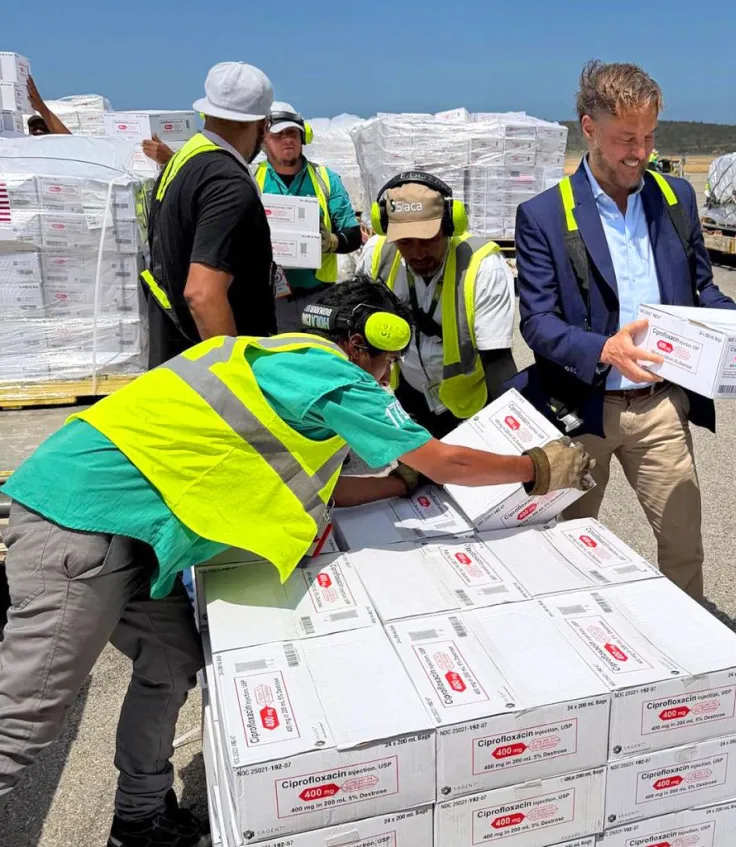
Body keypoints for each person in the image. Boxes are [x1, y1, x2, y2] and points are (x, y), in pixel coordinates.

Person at [0, 275, 594, 847]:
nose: (387, 377)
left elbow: (322, 490)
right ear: (362, 344)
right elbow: (447, 461)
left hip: (132, 533)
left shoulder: (275, 360)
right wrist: (534, 468)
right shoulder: (333, 374)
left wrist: (398, 484)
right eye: (388, 362)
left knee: (172, 663)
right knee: (24, 720)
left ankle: (139, 819)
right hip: (80, 523)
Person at [513, 60, 736, 601]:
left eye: (650, 136)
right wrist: (602, 349)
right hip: (583, 410)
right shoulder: (544, 215)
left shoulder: (676, 199)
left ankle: (689, 641)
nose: (641, 152)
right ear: (589, 129)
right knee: (569, 547)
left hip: (659, 407)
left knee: (683, 547)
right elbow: (537, 322)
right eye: (626, 139)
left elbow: (701, 292)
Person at [141, 61, 277, 368]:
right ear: (262, 125)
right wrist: (234, 378)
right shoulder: (228, 183)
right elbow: (203, 294)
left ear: (207, 113)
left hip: (176, 362)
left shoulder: (184, 162)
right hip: (207, 376)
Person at [361, 171, 517, 438]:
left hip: (470, 405)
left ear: (449, 226)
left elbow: (498, 363)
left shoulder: (483, 267)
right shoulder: (377, 255)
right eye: (405, 242)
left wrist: (512, 433)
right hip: (409, 394)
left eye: (428, 240)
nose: (417, 253)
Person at [254, 103, 362, 331]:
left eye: (292, 133)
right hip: (270, 298)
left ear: (304, 137)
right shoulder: (252, 180)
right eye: (278, 135)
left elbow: (353, 233)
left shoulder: (326, 179)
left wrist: (333, 241)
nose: (287, 139)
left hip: (320, 295)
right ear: (264, 141)